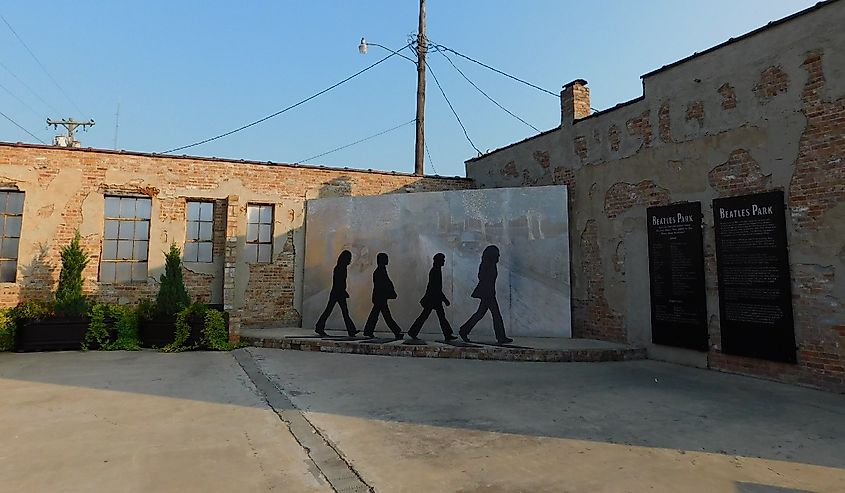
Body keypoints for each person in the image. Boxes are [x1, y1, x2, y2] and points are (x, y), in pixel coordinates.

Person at [458, 245, 513, 344]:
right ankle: (501, 337)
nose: (499, 256)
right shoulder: (487, 265)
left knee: (480, 314)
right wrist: (488, 290)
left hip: (489, 293)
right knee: (495, 315)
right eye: (497, 255)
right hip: (488, 294)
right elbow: (482, 277)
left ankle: (464, 330)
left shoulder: (490, 264)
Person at [408, 253, 457, 341]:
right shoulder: (435, 271)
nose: (444, 261)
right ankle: (447, 334)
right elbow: (436, 287)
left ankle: (413, 331)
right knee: (436, 317)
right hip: (434, 299)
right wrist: (445, 299)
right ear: (439, 261)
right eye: (443, 259)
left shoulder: (435, 270)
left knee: (428, 316)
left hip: (433, 298)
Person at [315, 250, 358, 337]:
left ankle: (351, 330)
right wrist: (343, 291)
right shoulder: (340, 268)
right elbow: (339, 282)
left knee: (336, 311)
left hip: (337, 292)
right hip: (338, 293)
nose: (350, 260)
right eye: (349, 258)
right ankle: (351, 330)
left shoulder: (340, 267)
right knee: (339, 312)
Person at [363, 252, 403, 339]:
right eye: (386, 258)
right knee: (386, 316)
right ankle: (396, 331)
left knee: (377, 315)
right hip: (380, 297)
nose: (387, 260)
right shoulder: (380, 271)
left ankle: (368, 331)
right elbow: (384, 285)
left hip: (379, 297)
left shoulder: (380, 270)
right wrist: (390, 292)